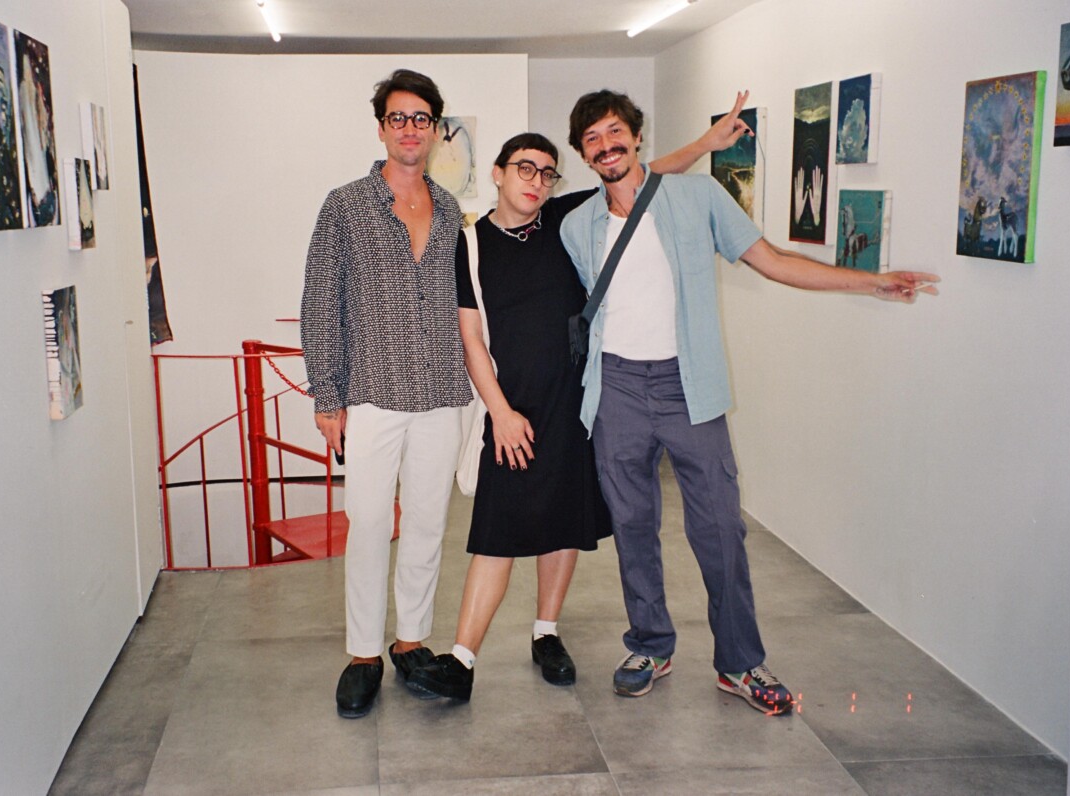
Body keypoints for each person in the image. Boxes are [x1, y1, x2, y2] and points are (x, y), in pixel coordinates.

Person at [559, 89, 939, 714]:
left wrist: (870, 283)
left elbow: (774, 261)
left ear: (636, 135)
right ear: (582, 153)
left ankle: (739, 662)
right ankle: (650, 645)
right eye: (592, 139)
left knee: (720, 527)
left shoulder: (697, 197)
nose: (606, 146)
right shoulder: (578, 226)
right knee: (632, 525)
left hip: (688, 383)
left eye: (613, 131)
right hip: (617, 388)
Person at [407, 99, 756, 702]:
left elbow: (640, 177)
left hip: (577, 402)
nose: (537, 181)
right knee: (497, 528)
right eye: (524, 168)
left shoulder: (565, 219)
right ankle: (462, 659)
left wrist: (705, 144)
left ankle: (546, 633)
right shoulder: (469, 245)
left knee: (563, 524)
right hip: (513, 410)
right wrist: (500, 413)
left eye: (547, 172)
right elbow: (471, 340)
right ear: (497, 173)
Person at [300, 69, 472, 719]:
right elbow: (321, 304)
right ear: (381, 129)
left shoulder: (450, 210)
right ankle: (364, 654)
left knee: (427, 524)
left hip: (441, 393)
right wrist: (327, 398)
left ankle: (410, 642)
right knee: (370, 524)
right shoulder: (345, 206)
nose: (409, 129)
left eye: (421, 118)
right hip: (371, 393)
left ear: (435, 130)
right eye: (398, 118)